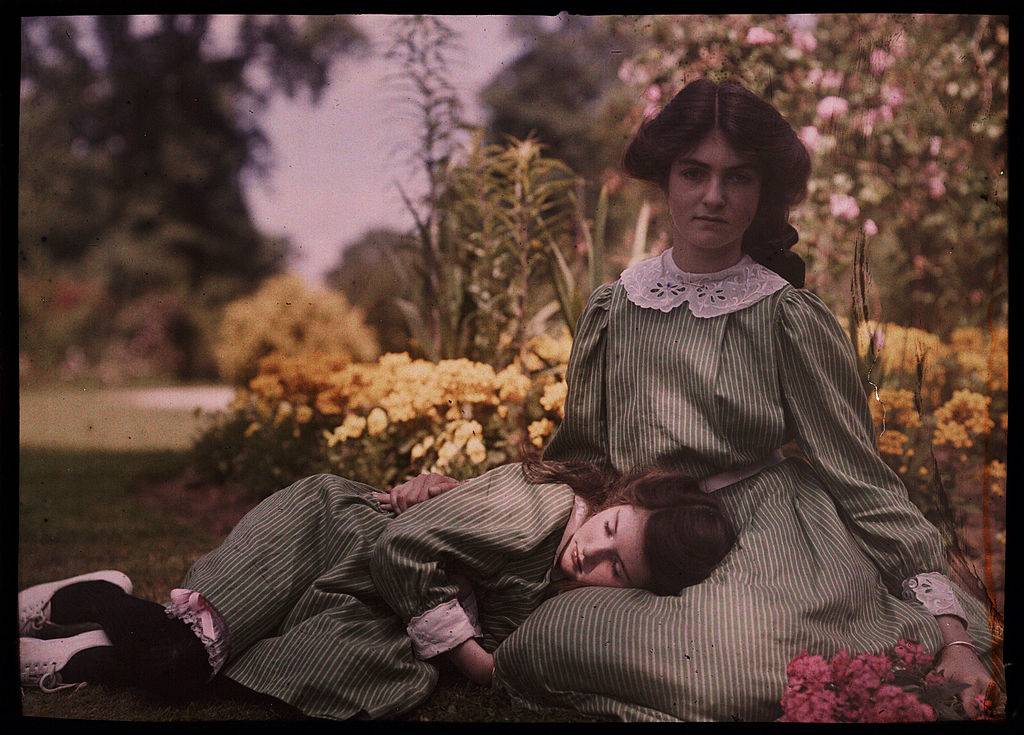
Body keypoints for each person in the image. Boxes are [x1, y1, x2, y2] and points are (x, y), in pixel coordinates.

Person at [485, 78, 997, 721]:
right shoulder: (613, 309)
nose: (714, 197)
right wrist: (471, 497)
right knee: (554, 636)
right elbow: (580, 455)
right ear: (665, 178)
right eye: (694, 173)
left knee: (739, 671)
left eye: (739, 178)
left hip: (763, 540)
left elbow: (861, 478)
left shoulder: (785, 316)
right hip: (641, 541)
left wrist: (952, 632)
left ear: (764, 191)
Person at [18, 456, 736, 720]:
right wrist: (472, 659)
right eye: (610, 526)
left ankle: (80, 644)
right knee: (185, 658)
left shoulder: (567, 587)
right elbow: (404, 544)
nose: (593, 553)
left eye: (618, 566)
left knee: (230, 679)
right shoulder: (545, 509)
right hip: (329, 537)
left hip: (367, 597)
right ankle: (86, 604)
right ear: (616, 497)